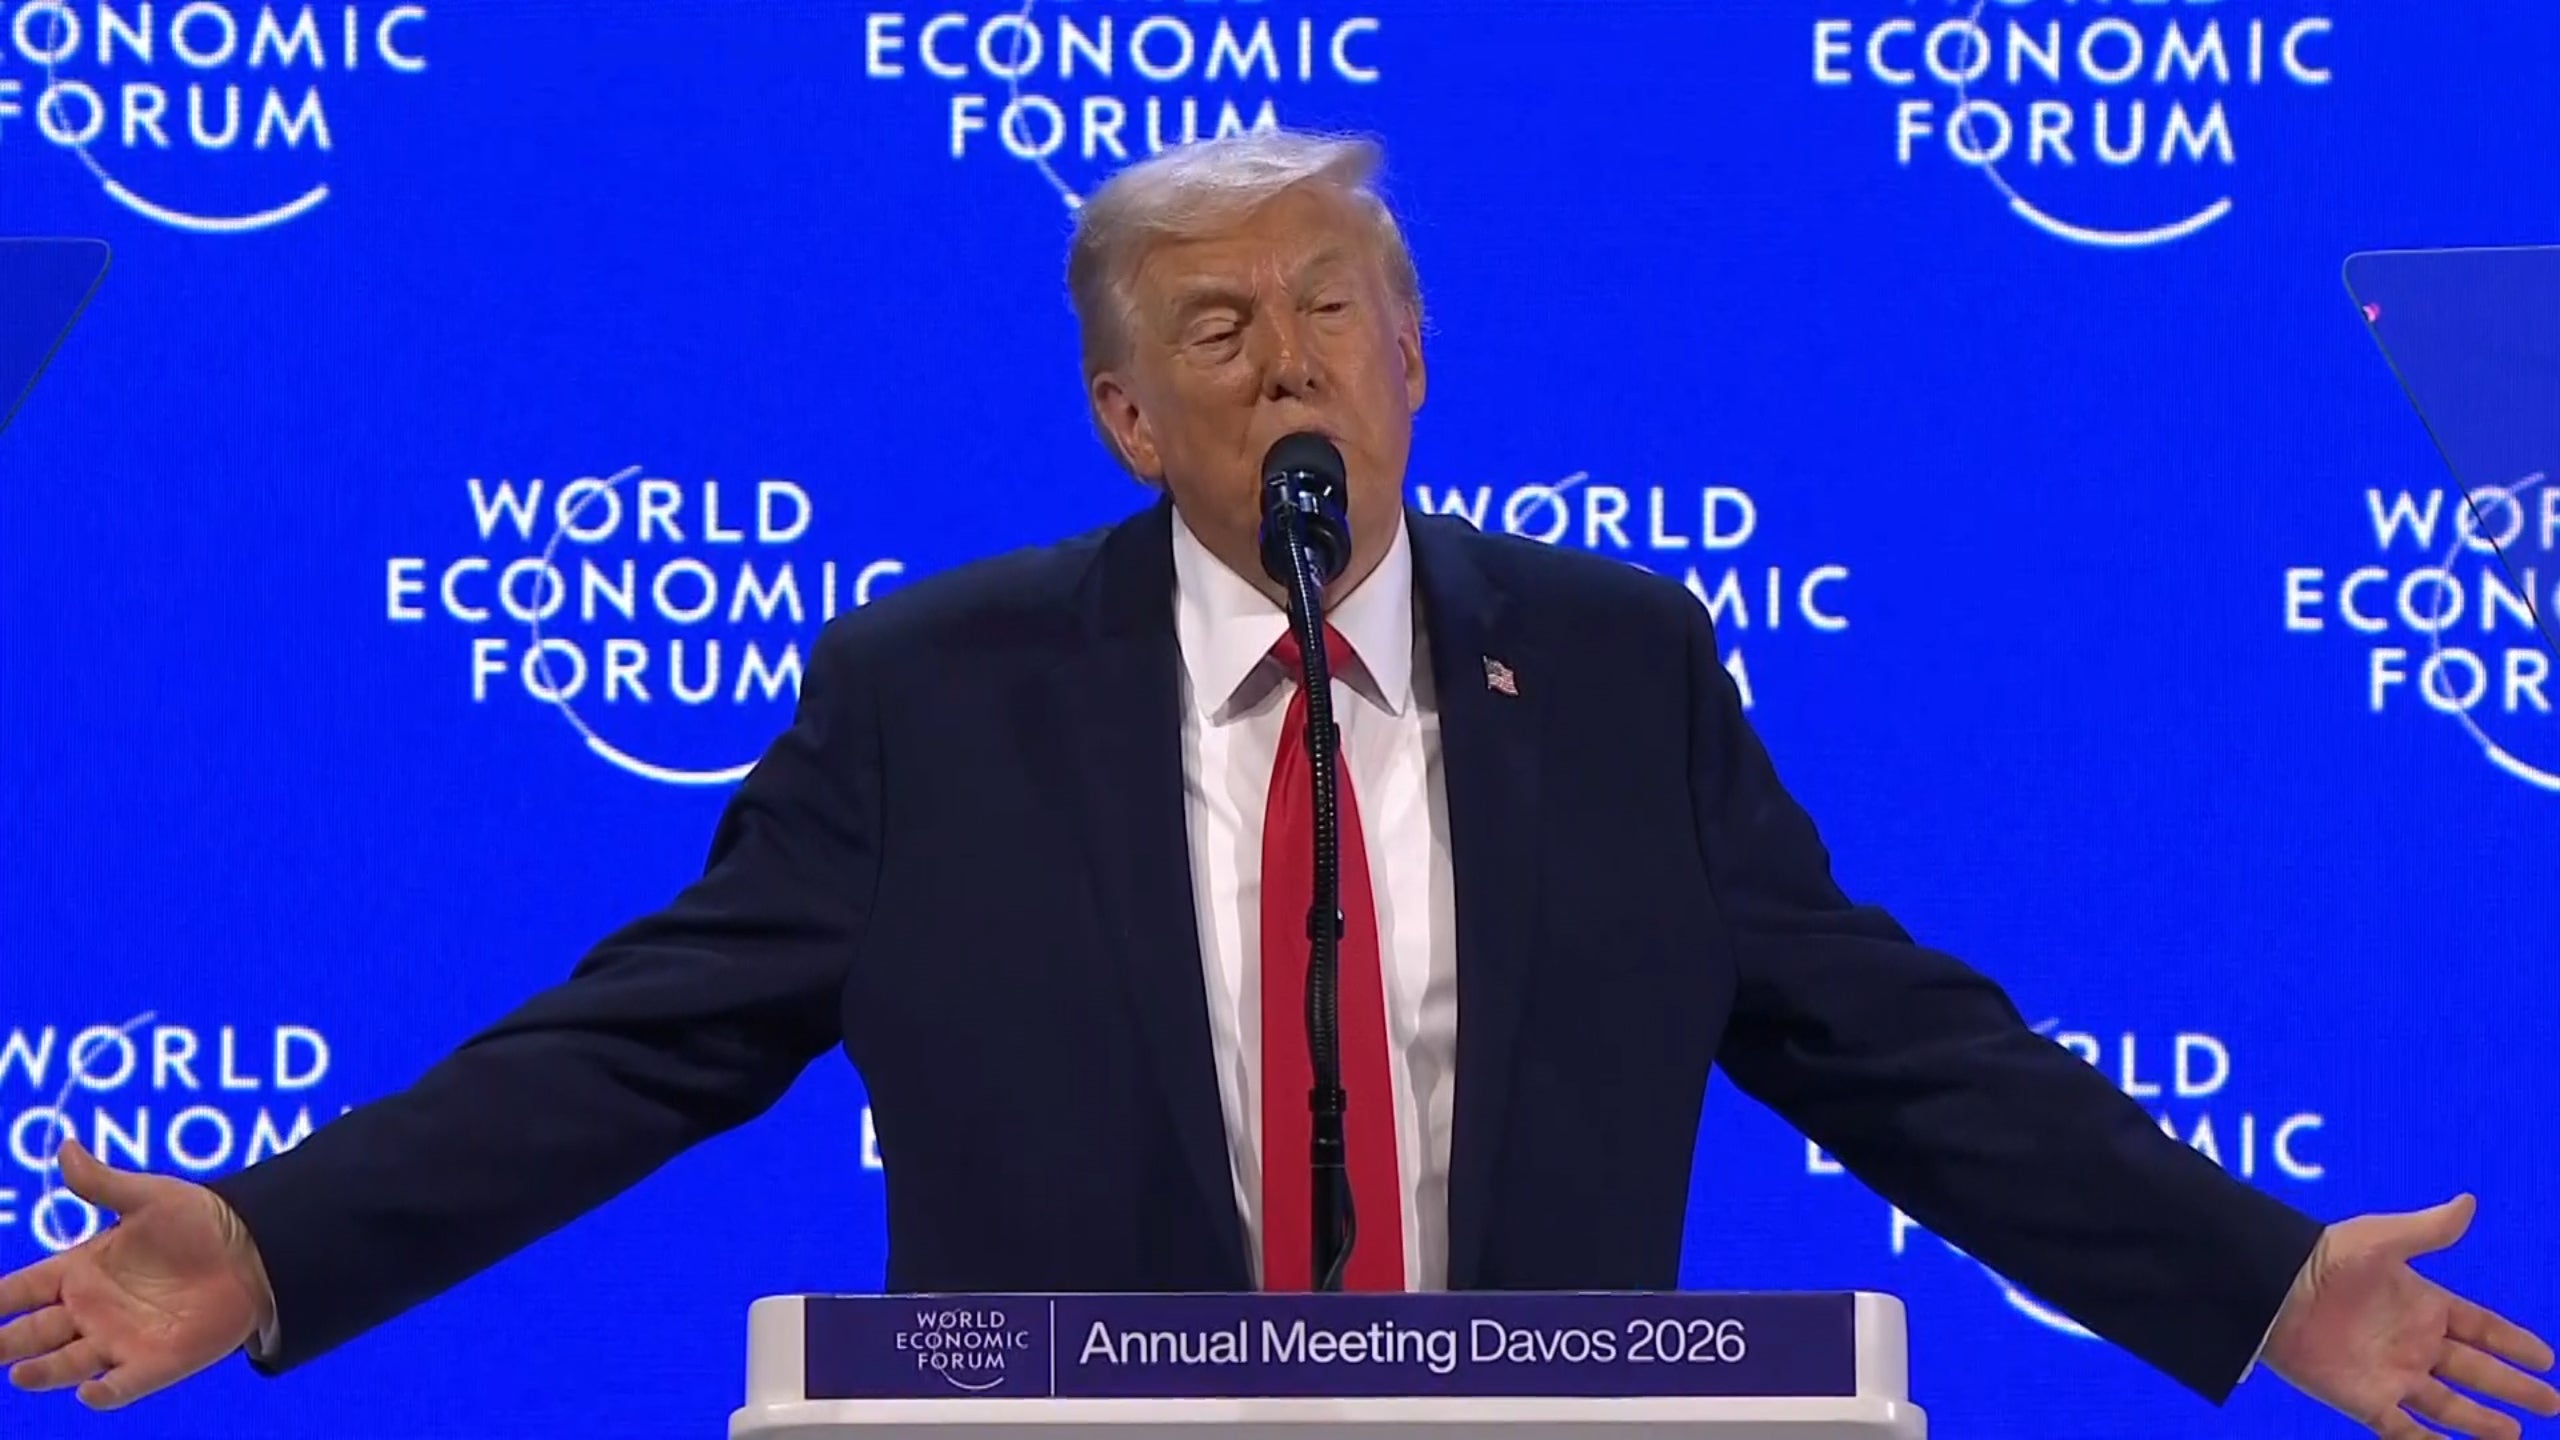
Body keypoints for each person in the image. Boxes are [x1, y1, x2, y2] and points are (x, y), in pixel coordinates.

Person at [2, 129, 2551, 1439]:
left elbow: (1889, 1045)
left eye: (1334, 312)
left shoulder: (1614, 663)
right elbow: (633, 1039)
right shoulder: (941, 688)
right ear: (1125, 414)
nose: (1285, 364)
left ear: (1418, 363)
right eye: (1215, 331)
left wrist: (2245, 1280)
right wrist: (269, 1246)